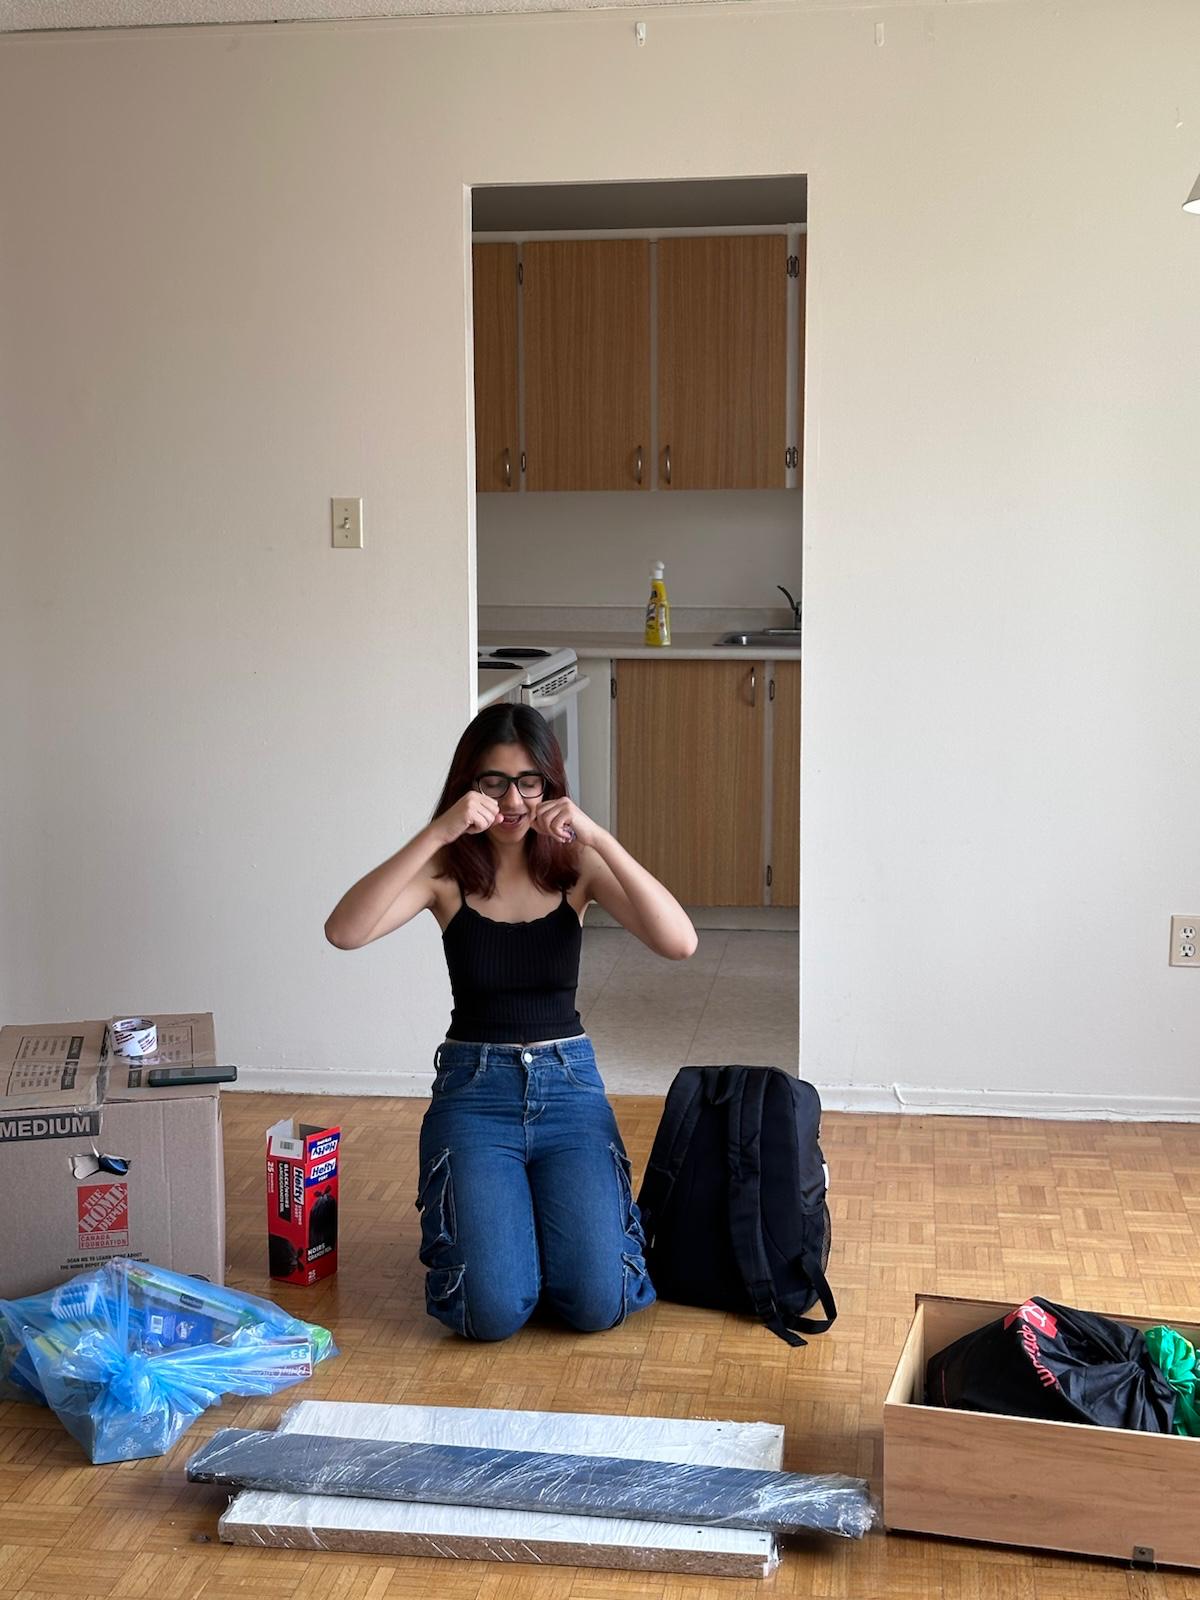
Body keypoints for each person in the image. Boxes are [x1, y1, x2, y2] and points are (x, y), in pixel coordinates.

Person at [324, 702, 698, 1342]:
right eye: (493, 782)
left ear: (551, 788)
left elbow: (680, 942)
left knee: (596, 1305)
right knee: (489, 1314)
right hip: (475, 1095)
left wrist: (599, 837)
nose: (513, 800)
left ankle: (544, 1241)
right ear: (469, 786)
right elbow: (344, 931)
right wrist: (437, 832)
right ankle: (513, 1239)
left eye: (530, 782)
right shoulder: (446, 876)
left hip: (569, 1090)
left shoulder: (573, 868)